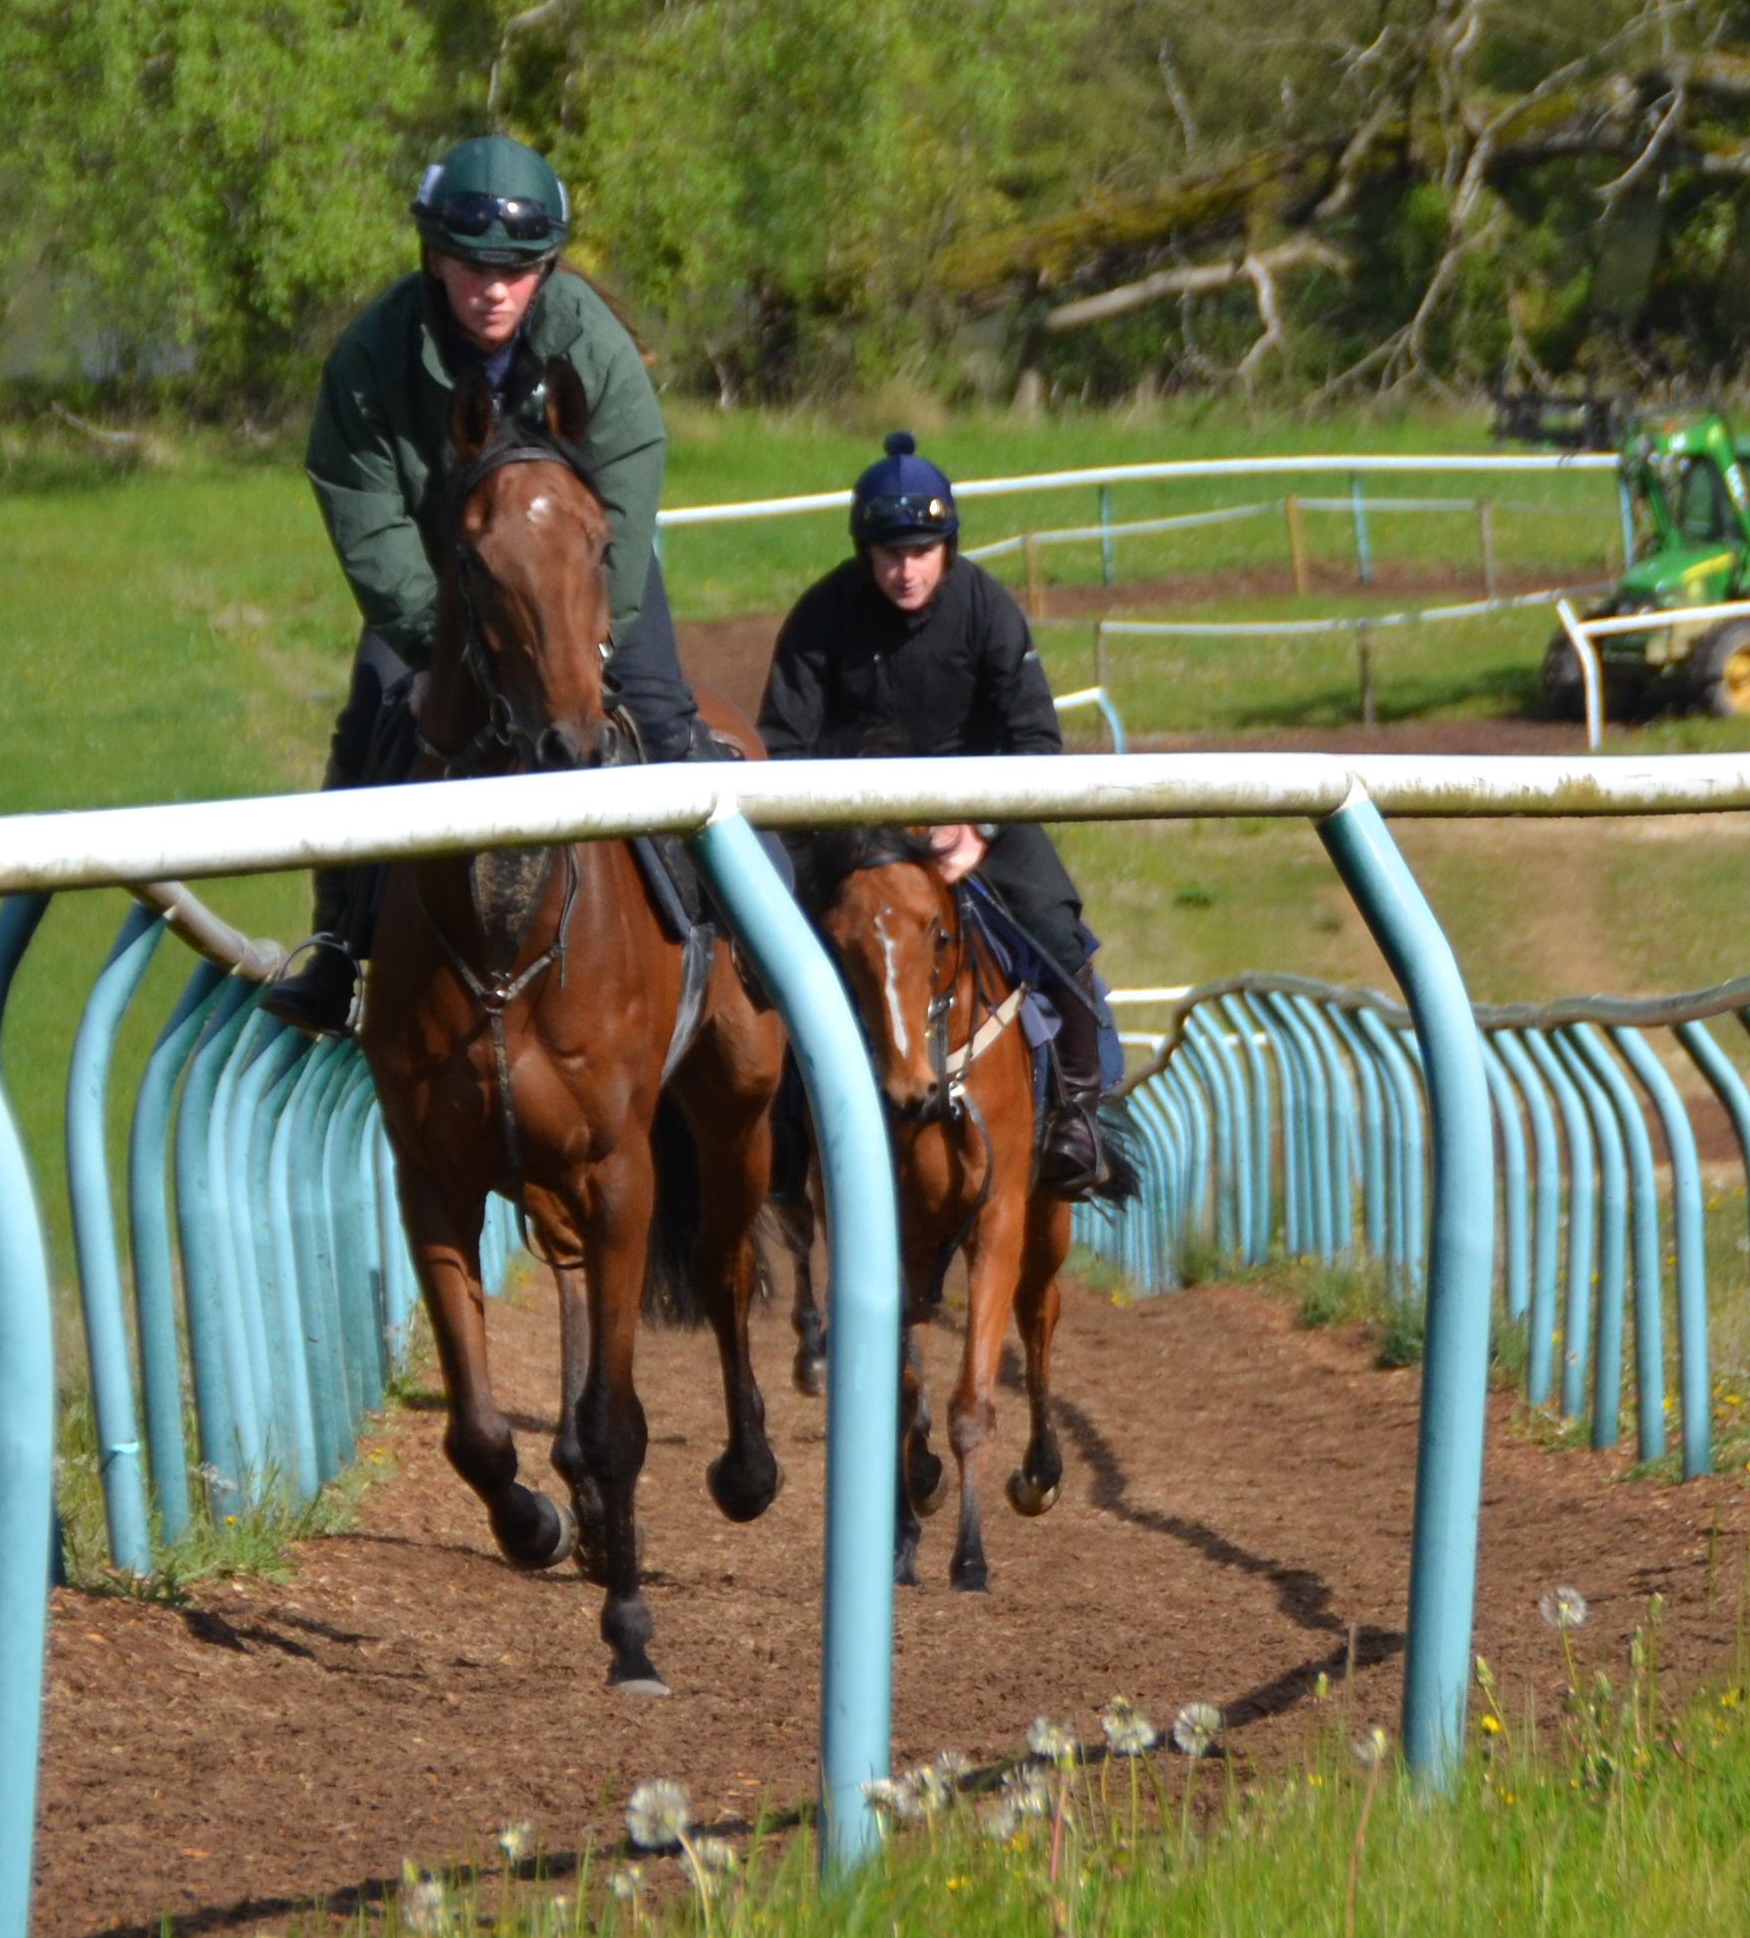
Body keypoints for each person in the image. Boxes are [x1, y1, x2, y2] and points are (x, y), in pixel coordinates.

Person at [262, 133, 722, 1037]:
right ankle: (338, 948)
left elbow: (625, 505)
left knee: (667, 724)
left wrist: (582, 648)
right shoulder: (370, 355)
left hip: (589, 582)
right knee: (371, 731)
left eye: (518, 269)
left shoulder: (592, 344)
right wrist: (440, 641)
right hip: (441, 591)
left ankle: (751, 932)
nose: (495, 288)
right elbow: (363, 507)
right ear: (435, 259)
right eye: (474, 267)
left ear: (546, 268)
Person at [757, 433, 1137, 1201]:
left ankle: (1079, 1116)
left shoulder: (988, 609)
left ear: (948, 547)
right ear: (866, 553)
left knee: (1056, 928)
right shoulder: (822, 615)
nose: (906, 568)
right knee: (765, 945)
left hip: (983, 813)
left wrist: (978, 828)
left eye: (923, 550)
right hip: (856, 833)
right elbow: (781, 748)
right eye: (891, 552)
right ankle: (776, 1124)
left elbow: (1036, 740)